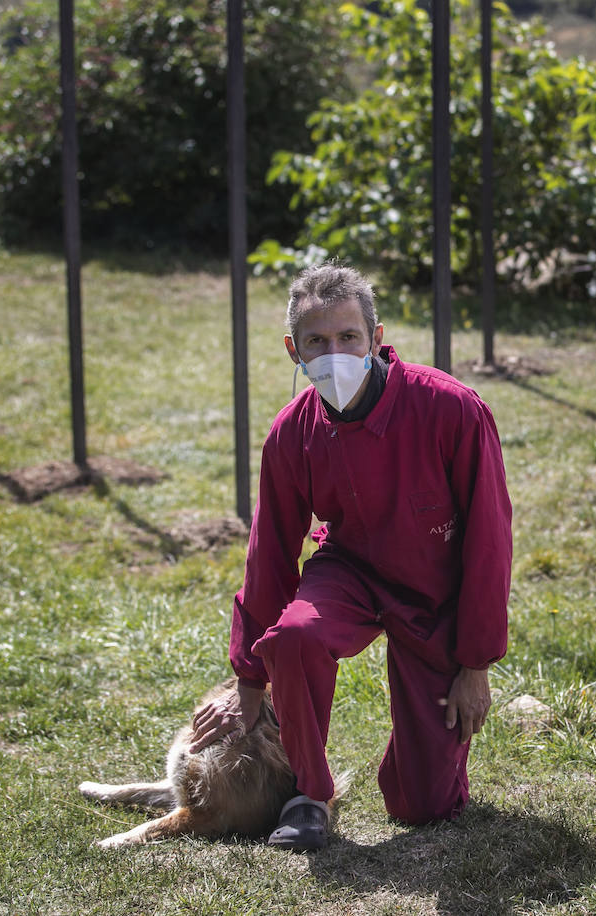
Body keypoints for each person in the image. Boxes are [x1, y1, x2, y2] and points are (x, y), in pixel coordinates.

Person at [187, 264, 512, 850]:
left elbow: (490, 542)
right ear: (294, 350)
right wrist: (250, 681)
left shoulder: (452, 410)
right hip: (349, 572)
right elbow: (270, 556)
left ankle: (416, 766)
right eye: (316, 341)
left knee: (425, 806)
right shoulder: (292, 434)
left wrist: (476, 664)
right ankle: (310, 794)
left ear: (376, 339)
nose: (332, 353)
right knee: (294, 637)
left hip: (433, 591)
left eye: (348, 338)